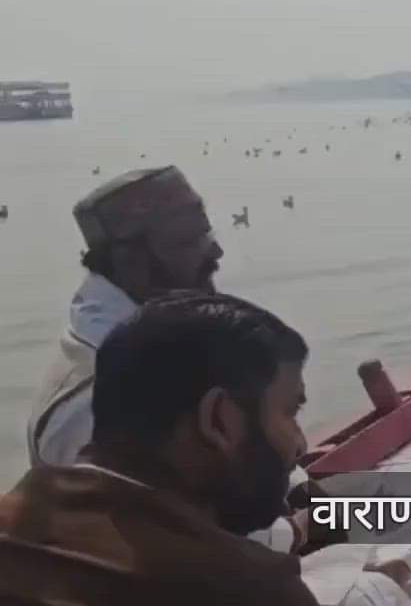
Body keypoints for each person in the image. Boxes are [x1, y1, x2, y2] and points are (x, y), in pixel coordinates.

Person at [25, 166, 319, 553]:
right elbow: (170, 550)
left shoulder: (174, 335)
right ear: (131, 261)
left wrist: (324, 503)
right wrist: (303, 529)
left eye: (207, 231)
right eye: (190, 239)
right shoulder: (89, 402)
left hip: (268, 535)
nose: (215, 251)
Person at [0, 293, 320, 605]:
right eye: (291, 412)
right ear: (219, 420)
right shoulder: (251, 587)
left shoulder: (19, 517)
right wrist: (314, 524)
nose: (300, 444)